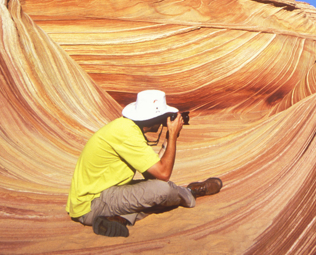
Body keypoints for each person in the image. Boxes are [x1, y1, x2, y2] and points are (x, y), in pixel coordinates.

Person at [66, 89, 222, 237]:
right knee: (162, 191)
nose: (164, 121)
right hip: (92, 204)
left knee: (152, 192)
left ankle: (117, 219)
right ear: (153, 118)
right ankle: (190, 192)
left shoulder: (127, 128)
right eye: (163, 116)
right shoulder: (127, 133)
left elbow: (152, 174)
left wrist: (168, 140)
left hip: (99, 195)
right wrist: (173, 137)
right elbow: (163, 174)